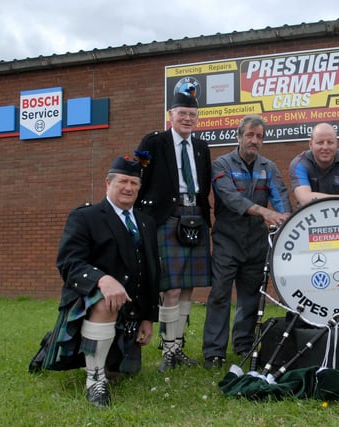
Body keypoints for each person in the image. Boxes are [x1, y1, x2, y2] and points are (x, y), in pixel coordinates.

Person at [38, 155, 160, 408]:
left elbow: (151, 273)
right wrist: (102, 280)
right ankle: (94, 381)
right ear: (108, 183)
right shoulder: (86, 217)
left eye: (134, 183)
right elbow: (69, 262)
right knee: (106, 301)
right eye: (123, 182)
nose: (129, 188)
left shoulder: (146, 222)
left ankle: (61, 345)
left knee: (123, 371)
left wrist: (148, 317)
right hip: (92, 299)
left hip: (131, 307)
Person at [202, 114, 291, 369]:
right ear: (239, 136)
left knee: (250, 296)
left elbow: (280, 199)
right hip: (227, 242)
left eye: (259, 136)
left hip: (256, 243)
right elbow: (230, 198)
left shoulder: (269, 168)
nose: (255, 140)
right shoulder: (221, 165)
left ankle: (243, 345)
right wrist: (265, 213)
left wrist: (284, 220)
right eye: (250, 135)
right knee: (219, 295)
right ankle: (213, 352)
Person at [135, 87, 212, 372]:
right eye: (182, 114)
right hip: (166, 215)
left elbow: (204, 185)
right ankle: (167, 350)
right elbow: (137, 169)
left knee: (188, 286)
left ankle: (178, 347)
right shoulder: (154, 142)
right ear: (171, 116)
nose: (187, 119)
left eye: (192, 115)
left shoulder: (202, 147)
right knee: (171, 287)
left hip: (195, 215)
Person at [289, 122, 339, 206]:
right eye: (320, 143)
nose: (325, 147)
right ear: (310, 144)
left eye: (330, 142)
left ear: (336, 143)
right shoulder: (299, 164)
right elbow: (304, 199)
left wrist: (313, 197)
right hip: (310, 215)